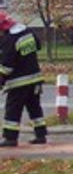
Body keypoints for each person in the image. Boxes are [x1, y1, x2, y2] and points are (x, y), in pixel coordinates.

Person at [0, 11, 48, 147]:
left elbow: (6, 67)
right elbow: (38, 46)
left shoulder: (9, 40)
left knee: (13, 109)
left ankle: (10, 138)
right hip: (35, 78)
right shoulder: (28, 31)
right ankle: (41, 134)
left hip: (19, 82)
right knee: (34, 107)